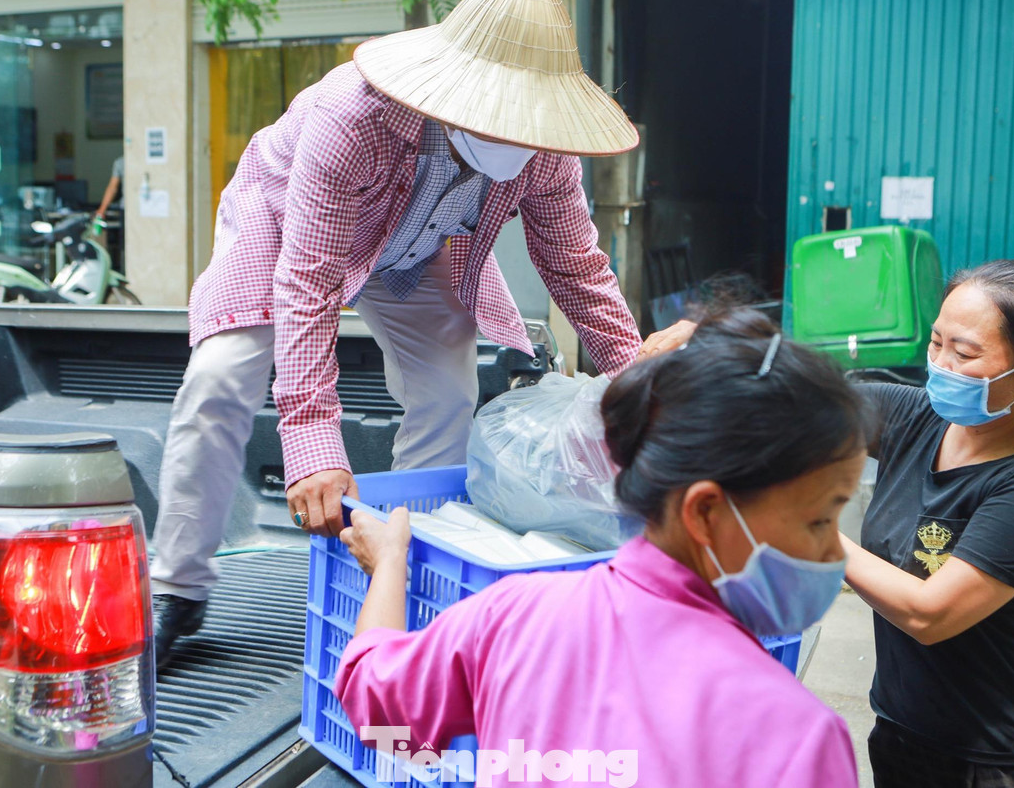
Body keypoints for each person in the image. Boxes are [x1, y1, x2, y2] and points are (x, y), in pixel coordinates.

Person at [150, 0, 692, 669]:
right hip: (286, 227)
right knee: (221, 376)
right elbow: (309, 277)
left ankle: (407, 569)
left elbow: (576, 265)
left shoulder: (546, 154)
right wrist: (313, 442)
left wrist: (634, 372)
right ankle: (177, 586)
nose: (514, 134)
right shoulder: (356, 117)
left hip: (416, 250)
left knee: (448, 391)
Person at [336, 308, 869, 787]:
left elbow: (385, 723)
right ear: (704, 512)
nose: (835, 555)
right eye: (821, 520)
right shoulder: (794, 737)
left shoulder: (512, 616)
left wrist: (389, 565)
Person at [842, 259, 1014, 787]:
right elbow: (796, 402)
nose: (940, 364)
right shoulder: (912, 417)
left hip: (1008, 762)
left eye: (964, 353)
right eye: (936, 342)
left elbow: (929, 615)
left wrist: (809, 533)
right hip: (904, 736)